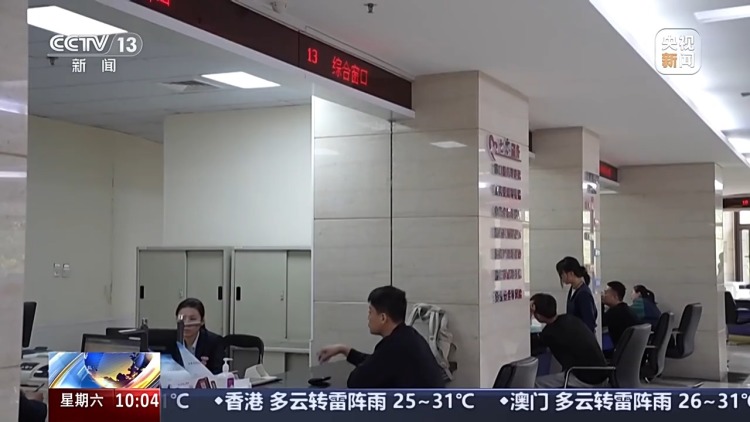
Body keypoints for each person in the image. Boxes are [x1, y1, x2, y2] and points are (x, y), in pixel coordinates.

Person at [317, 286, 446, 388]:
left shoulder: (395, 346)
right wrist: (344, 349)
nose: (368, 317)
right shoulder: (408, 336)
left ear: (383, 318)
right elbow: (376, 362)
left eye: (370, 312)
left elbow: (356, 382)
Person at [531, 293, 609, 388]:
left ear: (538, 315)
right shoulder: (569, 319)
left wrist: (528, 316)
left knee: (534, 383)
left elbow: (531, 347)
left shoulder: (550, 333)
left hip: (586, 379)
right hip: (600, 374)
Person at [173, 298, 226, 374]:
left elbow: (217, 373)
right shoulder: (170, 340)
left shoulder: (214, 342)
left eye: (192, 319)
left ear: (202, 321)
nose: (186, 323)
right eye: (182, 318)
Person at [557, 257, 597, 333]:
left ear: (571, 273)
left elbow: (588, 322)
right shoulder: (573, 289)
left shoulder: (583, 294)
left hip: (582, 336)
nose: (561, 277)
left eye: (562, 274)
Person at [602, 281, 640, 349]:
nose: (602, 295)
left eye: (605, 293)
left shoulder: (614, 313)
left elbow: (599, 324)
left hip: (618, 349)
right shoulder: (626, 309)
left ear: (615, 296)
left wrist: (600, 304)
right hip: (629, 349)